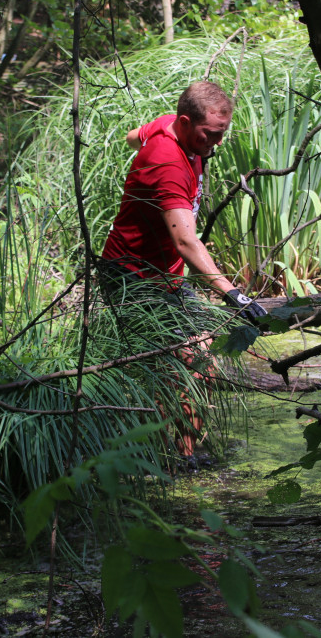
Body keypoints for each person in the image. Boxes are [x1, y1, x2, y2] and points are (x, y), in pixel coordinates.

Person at [100, 80, 266, 460]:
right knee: (186, 363)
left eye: (222, 134)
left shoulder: (165, 126)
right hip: (131, 277)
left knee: (202, 355)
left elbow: (132, 135)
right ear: (187, 122)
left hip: (164, 276)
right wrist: (234, 294)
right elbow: (186, 242)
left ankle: (186, 450)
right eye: (210, 135)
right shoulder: (168, 163)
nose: (216, 144)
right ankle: (181, 460)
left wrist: (144, 147)